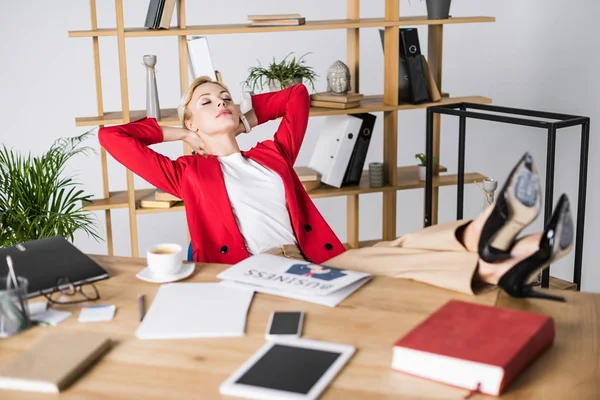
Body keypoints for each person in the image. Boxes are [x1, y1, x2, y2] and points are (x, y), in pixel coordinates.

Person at [98, 77, 574, 302]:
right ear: (191, 121)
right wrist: (180, 134)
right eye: (207, 102)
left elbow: (297, 96)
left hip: (310, 262)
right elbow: (112, 138)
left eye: (226, 98)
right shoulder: (187, 173)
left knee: (393, 251)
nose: (221, 103)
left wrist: (248, 115)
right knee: (388, 264)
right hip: (250, 274)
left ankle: (510, 260)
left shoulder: (271, 155)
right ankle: (499, 235)